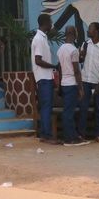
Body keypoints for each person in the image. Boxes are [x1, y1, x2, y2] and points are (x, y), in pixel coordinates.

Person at [78, 22, 99, 143]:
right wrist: (81, 56)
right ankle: (81, 134)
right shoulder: (85, 44)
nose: (88, 30)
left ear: (96, 31)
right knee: (83, 108)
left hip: (98, 82)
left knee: (98, 109)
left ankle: (98, 135)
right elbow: (80, 60)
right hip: (85, 81)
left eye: (90, 29)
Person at [57, 27, 87, 146]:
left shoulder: (60, 50)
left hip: (64, 82)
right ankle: (70, 139)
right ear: (74, 35)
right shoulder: (74, 50)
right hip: (72, 83)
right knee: (69, 113)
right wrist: (80, 88)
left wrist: (59, 84)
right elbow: (76, 71)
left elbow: (60, 68)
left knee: (67, 111)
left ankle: (72, 136)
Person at [32, 13, 59, 144]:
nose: (51, 24)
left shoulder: (43, 38)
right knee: (46, 106)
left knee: (47, 106)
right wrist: (53, 66)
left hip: (46, 77)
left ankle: (46, 134)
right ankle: (46, 135)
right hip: (43, 77)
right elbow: (38, 60)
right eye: (50, 21)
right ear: (45, 23)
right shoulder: (38, 39)